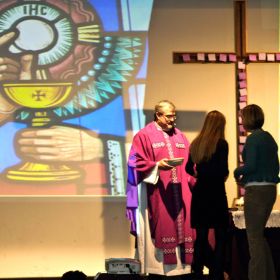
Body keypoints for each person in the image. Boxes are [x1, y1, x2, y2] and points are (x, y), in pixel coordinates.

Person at [126, 100, 194, 279]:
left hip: (181, 193)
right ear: (158, 115)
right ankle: (159, 270)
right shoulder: (144, 136)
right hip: (156, 192)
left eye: (174, 115)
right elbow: (134, 163)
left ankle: (182, 270)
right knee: (163, 224)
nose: (173, 120)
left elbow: (190, 165)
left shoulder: (180, 136)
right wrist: (156, 166)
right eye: (169, 116)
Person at [234, 104, 279, 280]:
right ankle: (268, 276)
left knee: (253, 239)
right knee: (259, 237)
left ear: (248, 119)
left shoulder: (253, 139)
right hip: (270, 190)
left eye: (242, 118)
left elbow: (251, 166)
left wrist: (237, 172)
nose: (242, 121)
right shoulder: (269, 138)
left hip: (257, 193)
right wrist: (246, 179)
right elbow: (272, 167)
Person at [185, 110, 229, 280]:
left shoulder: (196, 143)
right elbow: (222, 171)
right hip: (216, 193)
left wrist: (199, 175)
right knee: (220, 236)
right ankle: (216, 273)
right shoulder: (222, 144)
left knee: (201, 237)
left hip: (200, 193)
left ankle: (196, 271)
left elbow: (188, 168)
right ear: (220, 126)